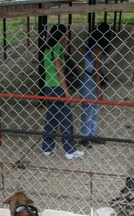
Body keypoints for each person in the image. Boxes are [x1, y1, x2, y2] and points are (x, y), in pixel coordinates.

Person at [42, 24, 83, 160]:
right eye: (65, 34)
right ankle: (69, 150)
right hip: (58, 87)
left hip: (48, 86)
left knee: (52, 116)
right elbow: (59, 70)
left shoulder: (47, 49)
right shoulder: (58, 48)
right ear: (62, 35)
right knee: (66, 118)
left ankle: (47, 147)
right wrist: (66, 90)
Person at [80, 23, 113, 148]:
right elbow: (97, 72)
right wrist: (99, 90)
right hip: (91, 80)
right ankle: (85, 136)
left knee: (93, 108)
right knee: (89, 108)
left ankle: (92, 134)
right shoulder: (98, 50)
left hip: (88, 78)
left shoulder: (94, 47)